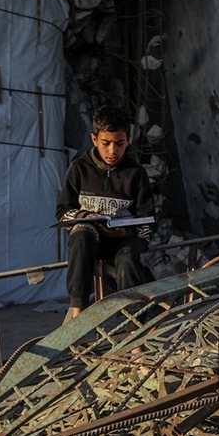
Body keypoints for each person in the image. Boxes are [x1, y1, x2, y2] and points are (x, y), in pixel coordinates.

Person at [56, 106, 154, 318]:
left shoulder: (136, 174)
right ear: (94, 139)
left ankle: (132, 329)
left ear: (128, 139)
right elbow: (63, 212)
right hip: (90, 239)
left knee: (128, 260)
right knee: (81, 235)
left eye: (119, 144)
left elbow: (148, 223)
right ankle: (78, 315)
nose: (112, 151)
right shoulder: (79, 168)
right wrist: (84, 217)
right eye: (106, 143)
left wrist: (127, 234)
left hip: (124, 240)